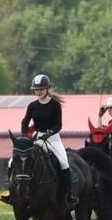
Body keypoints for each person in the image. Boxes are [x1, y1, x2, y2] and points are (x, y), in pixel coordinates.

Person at [19, 73, 74, 201]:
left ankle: (69, 193)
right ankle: (14, 192)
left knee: (64, 163)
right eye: (36, 90)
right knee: (15, 160)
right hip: (36, 138)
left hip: (53, 139)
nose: (38, 92)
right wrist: (23, 138)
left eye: (41, 89)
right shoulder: (32, 106)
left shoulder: (55, 105)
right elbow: (25, 122)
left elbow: (58, 125)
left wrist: (48, 134)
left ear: (47, 89)